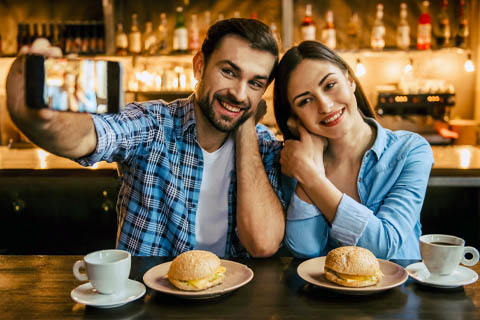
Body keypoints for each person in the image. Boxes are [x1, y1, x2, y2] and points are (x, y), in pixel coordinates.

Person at [6, 18, 286, 258]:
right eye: (228, 71)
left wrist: (247, 127)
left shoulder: (265, 147)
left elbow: (262, 243)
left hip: (232, 303)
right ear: (199, 66)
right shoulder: (152, 124)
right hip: (148, 302)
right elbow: (85, 138)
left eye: (255, 83)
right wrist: (42, 117)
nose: (239, 93)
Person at [274, 41, 433, 260]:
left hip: (401, 292)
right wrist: (309, 163)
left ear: (350, 81)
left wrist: (311, 177)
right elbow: (305, 249)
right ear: (294, 117)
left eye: (329, 85)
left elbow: (384, 245)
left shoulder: (410, 150)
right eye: (305, 101)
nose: (325, 106)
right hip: (325, 293)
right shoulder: (293, 160)